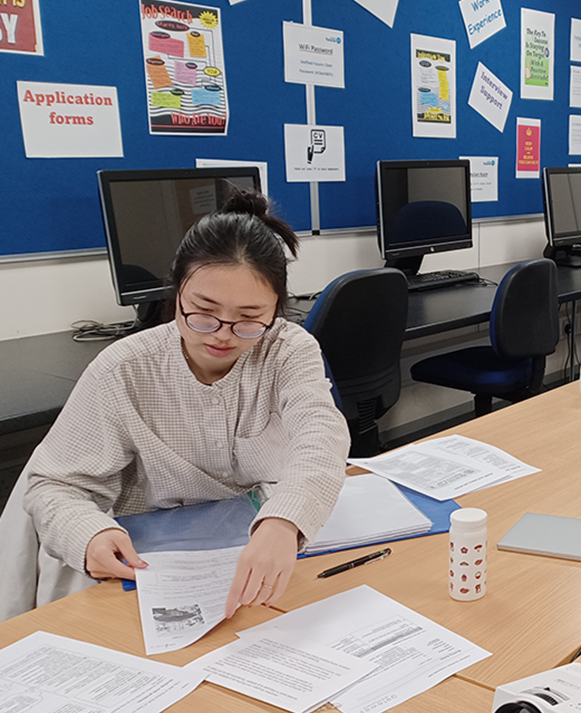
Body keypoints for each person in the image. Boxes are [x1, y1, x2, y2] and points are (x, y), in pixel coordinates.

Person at [24, 189, 351, 617]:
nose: (222, 333)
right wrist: (87, 535)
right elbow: (54, 485)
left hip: (256, 546)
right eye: (202, 310)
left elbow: (320, 437)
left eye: (249, 319)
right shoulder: (124, 369)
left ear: (276, 311)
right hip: (150, 566)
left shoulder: (287, 349)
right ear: (176, 291)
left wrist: (284, 522)